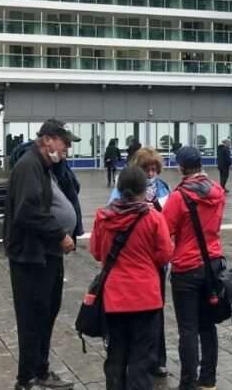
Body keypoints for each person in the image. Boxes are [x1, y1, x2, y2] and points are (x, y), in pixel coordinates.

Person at [4, 119, 79, 390]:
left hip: (47, 255)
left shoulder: (46, 166)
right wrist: (59, 234)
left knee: (46, 314)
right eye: (64, 141)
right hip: (31, 257)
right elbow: (27, 210)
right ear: (48, 140)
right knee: (32, 319)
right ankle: (26, 380)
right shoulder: (29, 166)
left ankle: (41, 370)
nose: (67, 146)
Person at [90, 166, 173, 390]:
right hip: (146, 296)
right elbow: (165, 254)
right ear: (143, 190)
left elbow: (97, 252)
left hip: (114, 297)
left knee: (116, 354)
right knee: (141, 356)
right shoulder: (154, 219)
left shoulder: (102, 217)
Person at [162, 145, 226, 390]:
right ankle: (208, 381)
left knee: (188, 329)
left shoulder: (178, 197)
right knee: (207, 325)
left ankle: (188, 383)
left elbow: (165, 230)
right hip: (213, 264)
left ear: (180, 167)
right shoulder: (218, 192)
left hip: (187, 267)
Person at [108, 147, 171, 378]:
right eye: (147, 168)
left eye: (155, 168)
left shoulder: (164, 188)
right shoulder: (121, 191)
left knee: (157, 316)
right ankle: (135, 363)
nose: (152, 173)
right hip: (132, 262)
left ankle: (157, 359)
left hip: (155, 264)